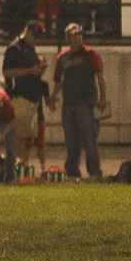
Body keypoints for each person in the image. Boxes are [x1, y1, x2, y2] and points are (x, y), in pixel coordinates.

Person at [47, 23, 107, 179]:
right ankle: (73, 172)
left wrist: (103, 98)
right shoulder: (63, 56)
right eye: (73, 35)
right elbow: (58, 81)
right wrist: (53, 98)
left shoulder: (90, 54)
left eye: (79, 34)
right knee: (71, 140)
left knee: (90, 138)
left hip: (87, 102)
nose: (77, 37)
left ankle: (94, 172)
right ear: (67, 38)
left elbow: (100, 76)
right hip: (69, 103)